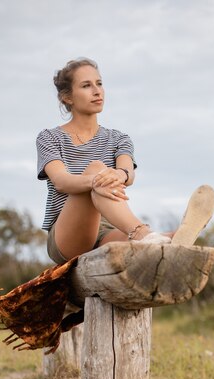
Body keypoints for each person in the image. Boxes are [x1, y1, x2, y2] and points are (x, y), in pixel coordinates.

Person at [37, 57, 172, 264]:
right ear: (67, 97)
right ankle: (141, 232)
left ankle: (165, 238)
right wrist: (96, 179)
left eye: (99, 83)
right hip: (67, 236)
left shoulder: (119, 138)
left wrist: (117, 174)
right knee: (97, 167)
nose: (97, 91)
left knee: (164, 241)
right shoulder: (49, 138)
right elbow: (61, 182)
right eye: (86, 85)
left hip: (108, 230)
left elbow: (128, 174)